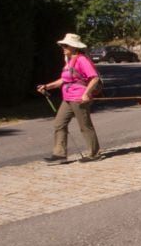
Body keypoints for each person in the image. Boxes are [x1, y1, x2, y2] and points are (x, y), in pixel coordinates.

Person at [36, 33, 102, 164]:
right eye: (62, 45)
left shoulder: (82, 59)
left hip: (79, 98)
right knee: (59, 124)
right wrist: (47, 86)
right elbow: (64, 80)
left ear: (74, 47)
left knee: (85, 126)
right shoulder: (68, 60)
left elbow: (94, 78)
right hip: (67, 98)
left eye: (65, 45)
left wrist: (86, 94)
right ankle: (59, 154)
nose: (63, 47)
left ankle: (94, 153)